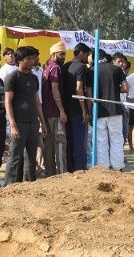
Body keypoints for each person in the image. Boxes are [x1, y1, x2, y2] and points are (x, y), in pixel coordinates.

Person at [3, 46, 47, 184]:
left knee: (31, 156)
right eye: (29, 58)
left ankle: (30, 185)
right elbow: (8, 103)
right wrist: (13, 125)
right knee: (15, 157)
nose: (33, 61)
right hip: (19, 123)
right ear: (20, 60)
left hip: (33, 122)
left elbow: (37, 102)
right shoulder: (12, 78)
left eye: (33, 58)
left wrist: (42, 122)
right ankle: (9, 187)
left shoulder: (34, 78)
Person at [93, 49, 127, 170]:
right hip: (115, 109)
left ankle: (104, 167)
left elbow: (88, 91)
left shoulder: (92, 70)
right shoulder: (116, 69)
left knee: (101, 140)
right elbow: (125, 88)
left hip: (99, 110)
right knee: (117, 138)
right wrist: (115, 89)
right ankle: (118, 166)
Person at [61, 42, 91, 172]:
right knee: (79, 142)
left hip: (66, 109)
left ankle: (70, 168)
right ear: (81, 53)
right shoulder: (81, 67)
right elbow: (79, 89)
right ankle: (80, 169)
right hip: (77, 111)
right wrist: (84, 110)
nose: (87, 58)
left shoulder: (65, 66)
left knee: (69, 141)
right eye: (87, 55)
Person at [42, 41, 68, 176]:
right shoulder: (55, 68)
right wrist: (62, 110)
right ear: (53, 54)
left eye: (64, 54)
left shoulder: (46, 68)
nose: (63, 56)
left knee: (49, 145)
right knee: (60, 143)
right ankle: (62, 174)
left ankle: (50, 174)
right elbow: (54, 90)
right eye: (61, 54)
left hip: (46, 112)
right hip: (55, 112)